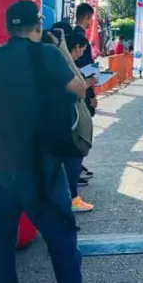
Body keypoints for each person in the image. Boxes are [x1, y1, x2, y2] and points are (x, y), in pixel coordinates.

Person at [0, 0, 87, 282]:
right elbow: (79, 89)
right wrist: (62, 49)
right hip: (40, 166)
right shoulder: (48, 55)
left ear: (7, 26)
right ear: (39, 25)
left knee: (0, 241)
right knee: (61, 238)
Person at [44, 23, 95, 212]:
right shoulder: (55, 55)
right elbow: (79, 88)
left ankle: (67, 196)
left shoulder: (47, 53)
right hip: (64, 117)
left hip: (56, 116)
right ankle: (71, 198)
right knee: (72, 154)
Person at [72, 4, 97, 182]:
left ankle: (76, 167)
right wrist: (93, 94)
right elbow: (88, 69)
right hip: (82, 87)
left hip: (72, 85)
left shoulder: (70, 36)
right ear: (87, 17)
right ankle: (76, 168)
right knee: (82, 128)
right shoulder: (81, 40)